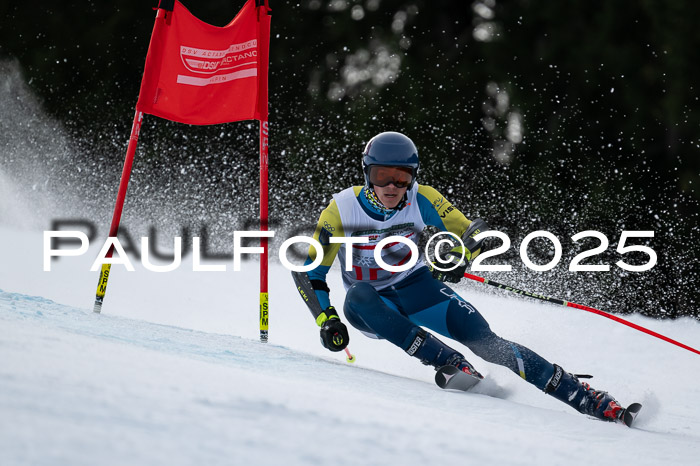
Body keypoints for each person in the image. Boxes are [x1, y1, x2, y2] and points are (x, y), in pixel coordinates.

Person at [294, 131, 627, 422]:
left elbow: (474, 232)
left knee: (488, 343)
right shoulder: (343, 208)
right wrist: (327, 320)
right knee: (360, 294)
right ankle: (449, 361)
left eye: (402, 177)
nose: (392, 186)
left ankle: (586, 398)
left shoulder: (423, 198)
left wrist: (460, 256)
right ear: (368, 174)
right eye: (382, 176)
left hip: (416, 287)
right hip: (371, 308)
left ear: (413, 177)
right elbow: (310, 272)